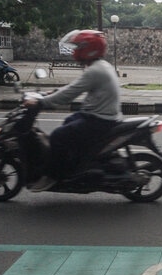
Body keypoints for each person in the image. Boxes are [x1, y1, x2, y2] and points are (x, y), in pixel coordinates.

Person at [26, 29, 122, 191]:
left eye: (78, 47)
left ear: (89, 49)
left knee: (57, 136)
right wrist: (51, 93)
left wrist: (41, 102)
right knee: (68, 122)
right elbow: (73, 87)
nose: (75, 51)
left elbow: (69, 94)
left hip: (99, 120)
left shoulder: (95, 71)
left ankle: (53, 176)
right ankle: (75, 164)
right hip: (98, 115)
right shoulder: (101, 65)